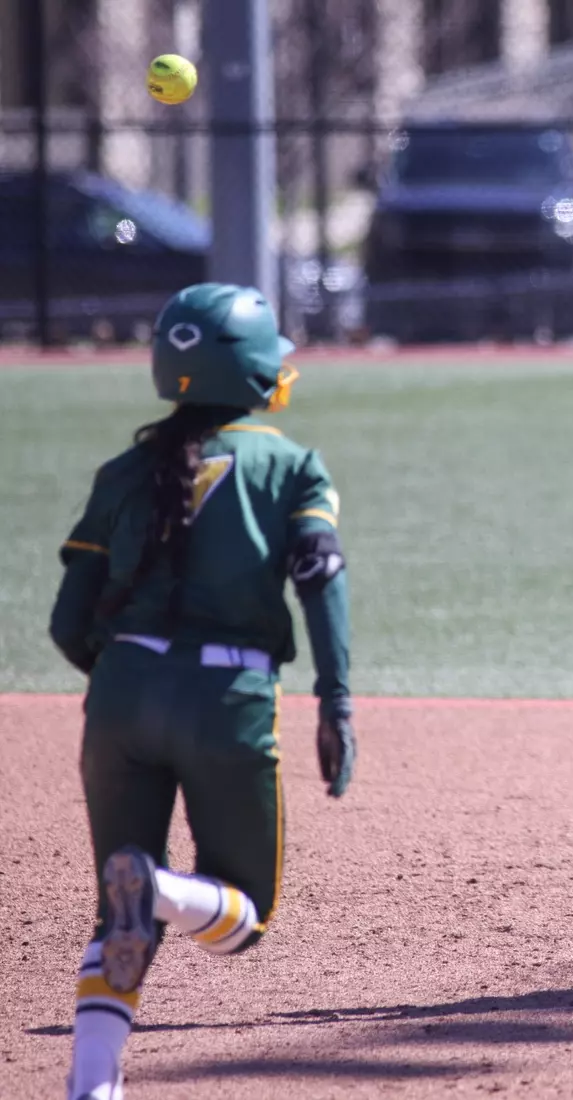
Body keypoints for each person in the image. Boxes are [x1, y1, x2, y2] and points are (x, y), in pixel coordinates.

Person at [49, 283, 356, 1100]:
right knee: (242, 916)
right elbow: (321, 578)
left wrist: (128, 677)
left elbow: (67, 619)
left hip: (119, 694)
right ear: (258, 374)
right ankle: (160, 890)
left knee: (116, 917)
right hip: (228, 700)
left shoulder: (124, 470)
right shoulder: (290, 465)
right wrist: (337, 701)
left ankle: (92, 1087)